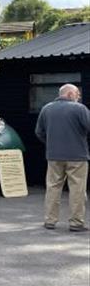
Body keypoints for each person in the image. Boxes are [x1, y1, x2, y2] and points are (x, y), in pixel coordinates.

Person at [35, 83, 90, 232]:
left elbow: (39, 132)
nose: (79, 97)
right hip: (77, 156)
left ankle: (50, 221)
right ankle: (76, 223)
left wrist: (51, 143)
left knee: (53, 188)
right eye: (77, 94)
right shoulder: (80, 109)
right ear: (70, 94)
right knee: (77, 189)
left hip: (53, 156)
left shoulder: (46, 109)